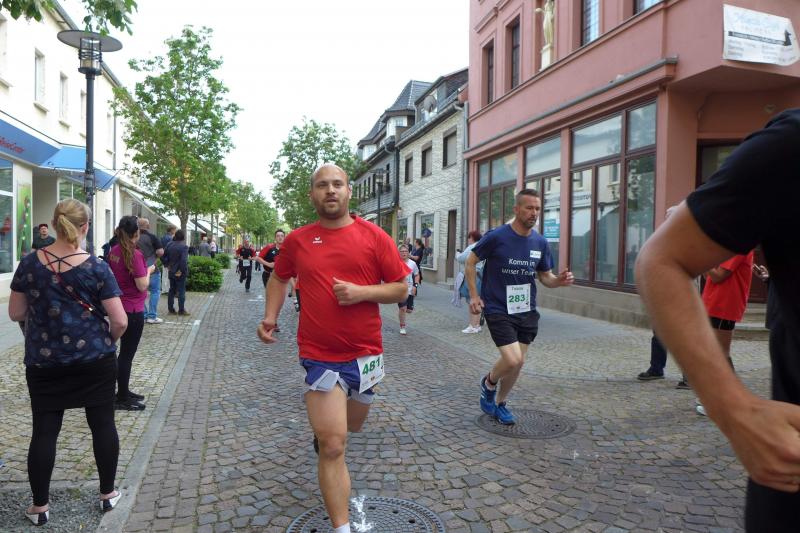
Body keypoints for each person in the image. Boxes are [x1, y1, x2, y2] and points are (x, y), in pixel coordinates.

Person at [635, 108, 800, 531]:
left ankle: (693, 385)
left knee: (722, 348)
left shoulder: (739, 248)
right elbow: (664, 260)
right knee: (710, 348)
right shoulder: (789, 144)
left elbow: (721, 272)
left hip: (726, 303)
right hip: (790, 475)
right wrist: (733, 410)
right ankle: (693, 385)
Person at [257, 164, 409, 533]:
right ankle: (342, 527)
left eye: (337, 184)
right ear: (312, 194)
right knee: (334, 445)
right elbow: (279, 277)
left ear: (348, 191)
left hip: (366, 356)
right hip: (320, 354)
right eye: (322, 185)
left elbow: (401, 288)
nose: (330, 190)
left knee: (351, 426)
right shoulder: (298, 240)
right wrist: (270, 316)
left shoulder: (375, 237)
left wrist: (361, 293)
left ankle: (325, 430)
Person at [8, 199, 128, 525]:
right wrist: (107, 341)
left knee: (44, 432)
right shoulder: (97, 267)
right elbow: (120, 321)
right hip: (94, 360)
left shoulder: (29, 264)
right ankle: (107, 494)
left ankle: (40, 507)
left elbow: (16, 312)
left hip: (44, 363)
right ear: (85, 227)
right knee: (102, 425)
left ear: (54, 223)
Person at [465, 189, 574, 425]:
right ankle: (488, 383)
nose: (534, 213)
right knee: (513, 359)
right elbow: (470, 262)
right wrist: (474, 295)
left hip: (525, 309)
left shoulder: (540, 242)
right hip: (497, 307)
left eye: (537, 208)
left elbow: (545, 276)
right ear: (516, 209)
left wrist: (559, 281)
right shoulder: (497, 236)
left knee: (518, 363)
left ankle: (500, 403)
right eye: (529, 208)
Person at [694, 250, 754, 416]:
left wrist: (704, 260)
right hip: (715, 302)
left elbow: (718, 276)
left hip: (724, 304)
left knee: (720, 354)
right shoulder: (728, 247)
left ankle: (727, 402)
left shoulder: (738, 247)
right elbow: (710, 274)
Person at [107, 216, 155, 411]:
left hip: (118, 305)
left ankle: (123, 391)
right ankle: (121, 397)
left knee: (122, 354)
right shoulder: (135, 255)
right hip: (133, 309)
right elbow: (142, 285)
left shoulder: (114, 251)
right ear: (137, 233)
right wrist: (149, 270)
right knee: (127, 355)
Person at [135, 219, 164, 325]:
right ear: (148, 226)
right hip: (152, 268)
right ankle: (152, 316)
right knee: (155, 292)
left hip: (138, 269)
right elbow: (160, 251)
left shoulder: (134, 237)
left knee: (140, 292)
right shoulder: (152, 237)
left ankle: (143, 314)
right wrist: (155, 257)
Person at [457, 230, 484, 333]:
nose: (468, 240)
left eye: (469, 238)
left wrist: (457, 254)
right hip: (481, 275)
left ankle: (472, 326)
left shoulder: (472, 247)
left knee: (471, 300)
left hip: (473, 275)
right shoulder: (483, 245)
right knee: (478, 299)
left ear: (472, 237)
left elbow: (461, 258)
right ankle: (477, 325)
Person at [163, 230, 190, 316]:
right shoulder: (184, 247)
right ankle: (181, 310)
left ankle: (171, 310)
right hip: (180, 272)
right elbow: (183, 261)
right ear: (183, 237)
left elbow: (163, 256)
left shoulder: (169, 245)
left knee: (172, 290)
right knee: (181, 291)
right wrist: (182, 271)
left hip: (171, 270)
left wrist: (167, 264)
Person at [397, 244, 420, 335]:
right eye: (402, 251)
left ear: (408, 252)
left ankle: (404, 310)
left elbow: (417, 275)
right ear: (399, 253)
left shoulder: (412, 263)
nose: (404, 253)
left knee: (409, 310)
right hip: (400, 289)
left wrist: (415, 286)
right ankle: (402, 326)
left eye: (405, 251)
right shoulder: (396, 263)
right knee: (403, 308)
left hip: (410, 289)